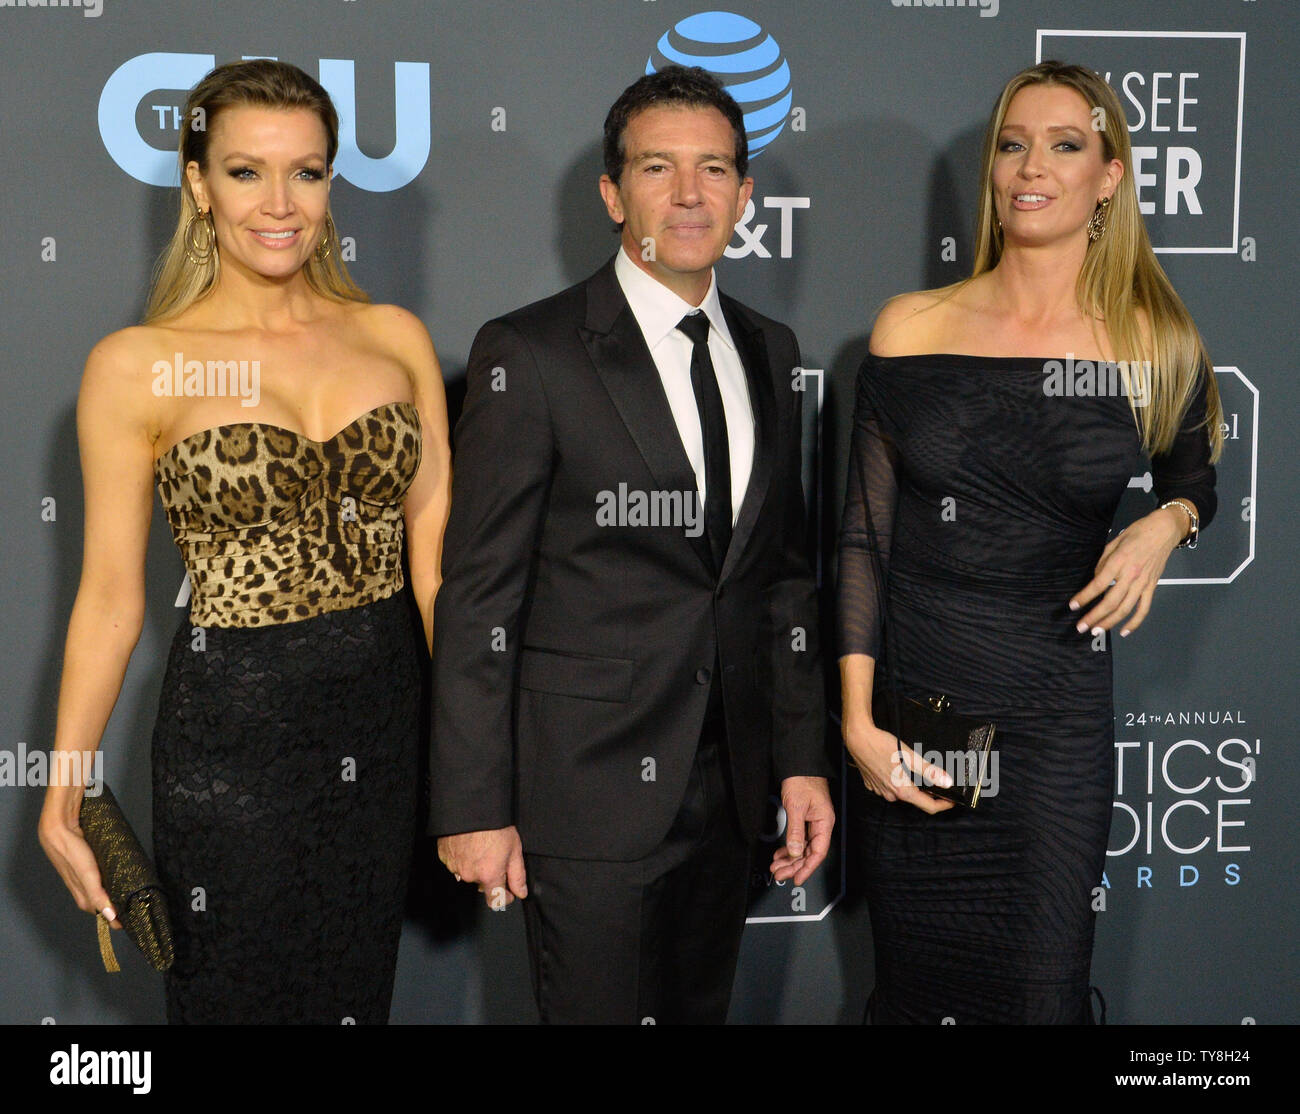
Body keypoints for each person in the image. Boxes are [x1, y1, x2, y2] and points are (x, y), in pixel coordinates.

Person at [38, 59, 451, 1024]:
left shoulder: (394, 338)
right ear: (196, 182)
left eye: (306, 173)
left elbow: (436, 571)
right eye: (245, 171)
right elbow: (108, 597)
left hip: (383, 730)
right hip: (232, 738)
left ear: (331, 185)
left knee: (357, 994)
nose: (279, 203)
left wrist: (477, 758)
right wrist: (64, 789)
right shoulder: (137, 366)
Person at [429, 65, 833, 1024]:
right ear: (613, 194)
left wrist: (799, 757)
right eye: (659, 168)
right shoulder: (528, 353)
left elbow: (780, 580)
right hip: (586, 792)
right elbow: (479, 593)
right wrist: (474, 805)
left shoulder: (773, 350)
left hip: (734, 792)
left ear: (744, 193)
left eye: (714, 170)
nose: (689, 195)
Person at [837, 60, 1221, 1024]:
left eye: (1064, 144)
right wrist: (855, 723)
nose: (1029, 166)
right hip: (919, 719)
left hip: (1054, 724)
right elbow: (861, 542)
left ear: (1110, 176)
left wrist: (1166, 526)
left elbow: (1192, 479)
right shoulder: (911, 329)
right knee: (917, 992)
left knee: (1038, 991)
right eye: (1012, 144)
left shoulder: (1154, 344)